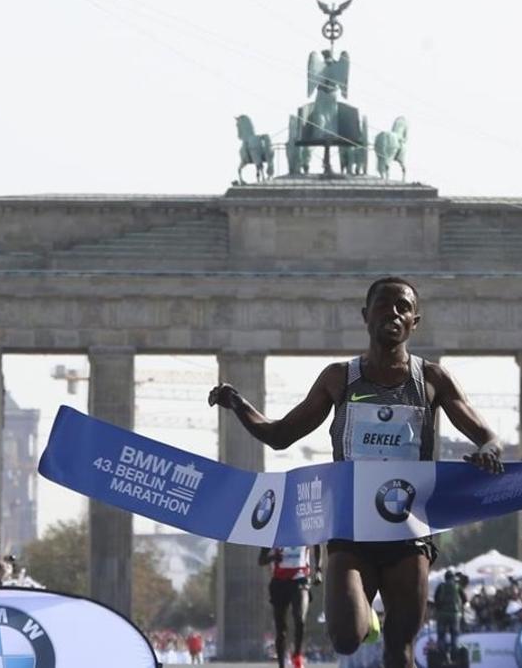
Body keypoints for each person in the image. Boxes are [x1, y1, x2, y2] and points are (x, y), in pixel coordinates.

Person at [210, 277, 504, 668]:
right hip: (351, 528)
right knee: (346, 638)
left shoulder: (431, 379)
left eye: (403, 307)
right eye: (384, 305)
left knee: (400, 650)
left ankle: (384, 624)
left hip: (409, 530)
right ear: (366, 316)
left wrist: (487, 451)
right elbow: (280, 436)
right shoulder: (339, 378)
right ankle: (368, 618)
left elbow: (488, 437)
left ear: (415, 321)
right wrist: (238, 404)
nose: (393, 313)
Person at [259, 544, 322, 668]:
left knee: (300, 620)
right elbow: (261, 560)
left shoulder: (304, 528)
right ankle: (281, 665)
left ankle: (297, 655)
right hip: (279, 583)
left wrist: (318, 569)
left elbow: (317, 544)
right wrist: (273, 557)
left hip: (301, 580)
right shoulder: (276, 531)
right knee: (281, 630)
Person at [432, 570, 464, 663]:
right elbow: (465, 599)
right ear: (453, 578)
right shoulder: (457, 586)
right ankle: (455, 658)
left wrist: (439, 609)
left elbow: (436, 599)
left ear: (445, 578)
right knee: (454, 635)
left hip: (442, 615)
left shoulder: (441, 586)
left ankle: (443, 657)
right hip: (455, 615)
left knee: (441, 636)